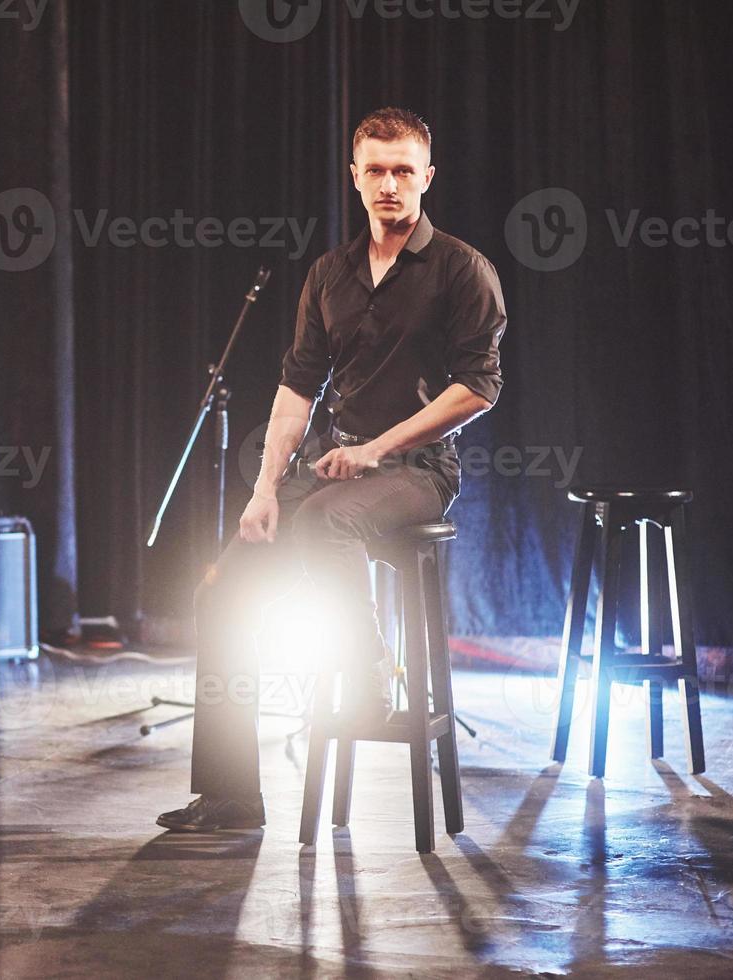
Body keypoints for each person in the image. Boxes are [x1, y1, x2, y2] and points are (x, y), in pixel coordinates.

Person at [157, 107, 507, 833]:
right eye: (375, 170)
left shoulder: (461, 270)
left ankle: (372, 672)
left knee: (323, 521)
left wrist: (377, 449)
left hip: (416, 470)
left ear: (426, 178)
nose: (388, 184)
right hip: (335, 457)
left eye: (403, 171)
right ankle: (230, 798)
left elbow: (477, 388)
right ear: (354, 177)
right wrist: (261, 491)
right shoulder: (328, 274)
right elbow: (295, 387)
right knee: (222, 589)